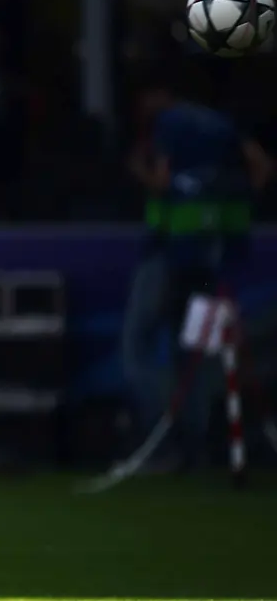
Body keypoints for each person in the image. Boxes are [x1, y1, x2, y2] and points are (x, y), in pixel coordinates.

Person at [137, 80, 272, 469]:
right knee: (200, 350)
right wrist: (241, 201)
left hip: (172, 251)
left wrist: (138, 172)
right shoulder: (223, 125)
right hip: (216, 253)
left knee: (144, 345)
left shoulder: (169, 124)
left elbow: (161, 181)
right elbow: (261, 168)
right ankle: (199, 443)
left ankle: (166, 440)